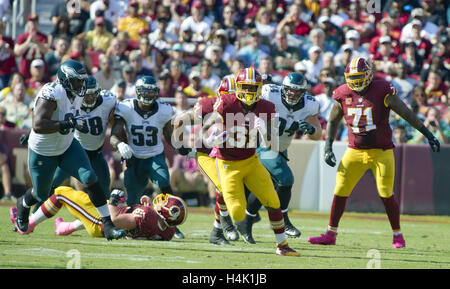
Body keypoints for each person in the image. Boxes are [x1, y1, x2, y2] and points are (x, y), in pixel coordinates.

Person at [307, 57, 441, 249]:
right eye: (352, 77)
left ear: (369, 75)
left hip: (381, 151)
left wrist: (428, 134)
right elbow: (334, 121)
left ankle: (398, 235)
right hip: (355, 151)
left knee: (385, 192)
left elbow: (406, 113)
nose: (355, 81)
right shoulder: (343, 93)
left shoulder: (382, 90)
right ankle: (330, 233)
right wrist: (328, 146)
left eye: (360, 76)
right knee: (340, 190)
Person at [11, 60, 125, 241]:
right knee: (41, 193)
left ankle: (108, 225)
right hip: (44, 150)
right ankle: (23, 203)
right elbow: (39, 123)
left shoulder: (80, 93)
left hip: (67, 145)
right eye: (77, 80)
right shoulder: (52, 92)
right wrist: (65, 124)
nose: (82, 85)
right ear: (65, 79)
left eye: (83, 80)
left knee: (90, 178)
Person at [206, 67, 300, 256]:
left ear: (259, 88)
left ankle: (282, 246)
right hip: (228, 164)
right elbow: (209, 130)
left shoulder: (266, 107)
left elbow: (272, 145)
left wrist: (264, 131)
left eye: (253, 88)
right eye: (245, 87)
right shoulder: (226, 103)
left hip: (251, 161)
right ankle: (223, 225)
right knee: (238, 213)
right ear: (238, 88)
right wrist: (212, 138)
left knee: (273, 200)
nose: (249, 92)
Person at [237, 72, 322, 243]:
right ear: (283, 89)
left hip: (281, 148)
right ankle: (284, 221)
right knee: (285, 178)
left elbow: (318, 134)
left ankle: (246, 220)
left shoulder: (310, 105)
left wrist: (312, 130)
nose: (292, 94)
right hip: (262, 144)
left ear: (303, 93)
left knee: (265, 185)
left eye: (297, 92)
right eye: (290, 90)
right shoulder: (269, 93)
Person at [110, 75, 185, 238]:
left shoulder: (164, 110)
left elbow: (169, 135)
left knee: (165, 186)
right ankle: (132, 228)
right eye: (144, 91)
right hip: (134, 157)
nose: (148, 95)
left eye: (151, 92)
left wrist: (183, 149)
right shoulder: (126, 107)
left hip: (154, 156)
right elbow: (115, 134)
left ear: (156, 93)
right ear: (137, 91)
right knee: (132, 200)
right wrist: (120, 144)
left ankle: (172, 225)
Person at [172, 75, 240, 245]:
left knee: (229, 188)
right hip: (207, 154)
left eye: (235, 96)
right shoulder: (207, 106)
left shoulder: (244, 107)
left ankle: (217, 231)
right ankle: (225, 222)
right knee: (222, 186)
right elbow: (179, 120)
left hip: (228, 155)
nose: (233, 101)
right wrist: (180, 145)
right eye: (229, 97)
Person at [9, 187, 186, 241]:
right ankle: (66, 227)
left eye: (164, 202)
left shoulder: (146, 215)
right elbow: (142, 226)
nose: (161, 201)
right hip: (110, 224)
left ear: (167, 212)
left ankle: (28, 223)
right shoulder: (168, 231)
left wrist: (114, 201)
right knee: (83, 205)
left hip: (101, 223)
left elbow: (115, 220)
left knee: (62, 193)